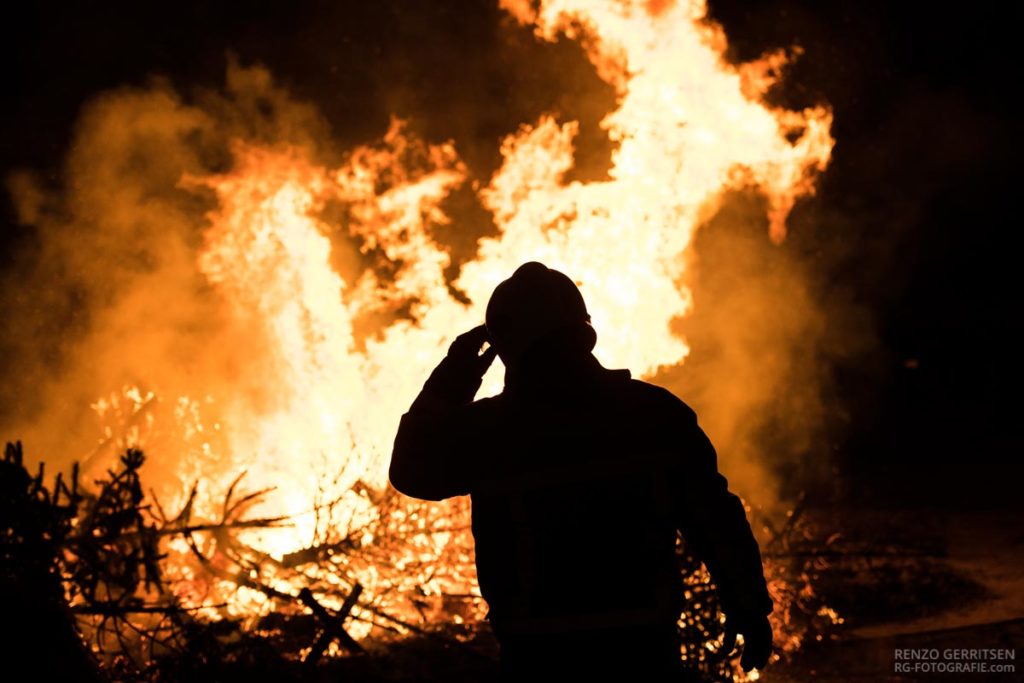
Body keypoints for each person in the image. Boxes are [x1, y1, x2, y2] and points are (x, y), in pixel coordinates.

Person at [390, 262, 773, 681]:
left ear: (504, 344)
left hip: (539, 659)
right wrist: (747, 606)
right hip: (644, 654)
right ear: (581, 330)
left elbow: (412, 471)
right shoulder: (653, 413)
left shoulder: (489, 431)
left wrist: (452, 379)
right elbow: (716, 519)